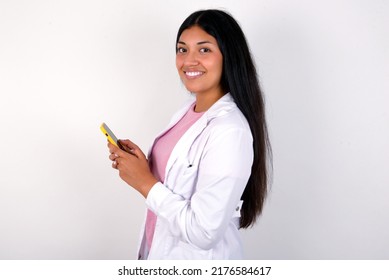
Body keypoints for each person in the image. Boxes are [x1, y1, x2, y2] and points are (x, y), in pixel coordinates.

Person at [107, 9, 271, 259]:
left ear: (229, 56)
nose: (188, 60)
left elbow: (204, 233)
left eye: (204, 50)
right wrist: (143, 166)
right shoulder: (188, 112)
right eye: (182, 49)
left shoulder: (229, 131)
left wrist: (144, 182)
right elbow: (177, 178)